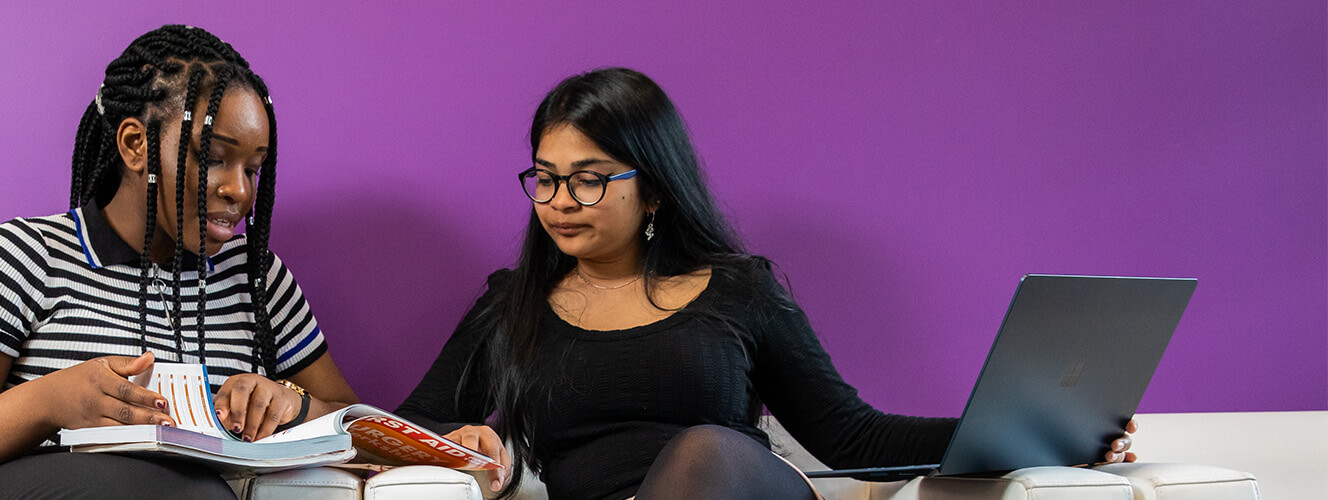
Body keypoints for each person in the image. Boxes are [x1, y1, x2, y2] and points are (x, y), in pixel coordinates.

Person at [393, 67, 1136, 500]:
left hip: (739, 493)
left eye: (589, 181)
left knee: (706, 451)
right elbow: (406, 426)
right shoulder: (511, 303)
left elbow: (853, 436)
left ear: (652, 191)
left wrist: (1038, 437)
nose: (559, 202)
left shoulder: (738, 291)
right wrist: (464, 446)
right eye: (546, 179)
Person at [0, 25, 361, 500]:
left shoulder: (257, 280)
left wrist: (293, 404)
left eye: (253, 168)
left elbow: (356, 423)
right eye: (213, 159)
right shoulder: (26, 256)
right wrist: (46, 403)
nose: (240, 191)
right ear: (134, 144)